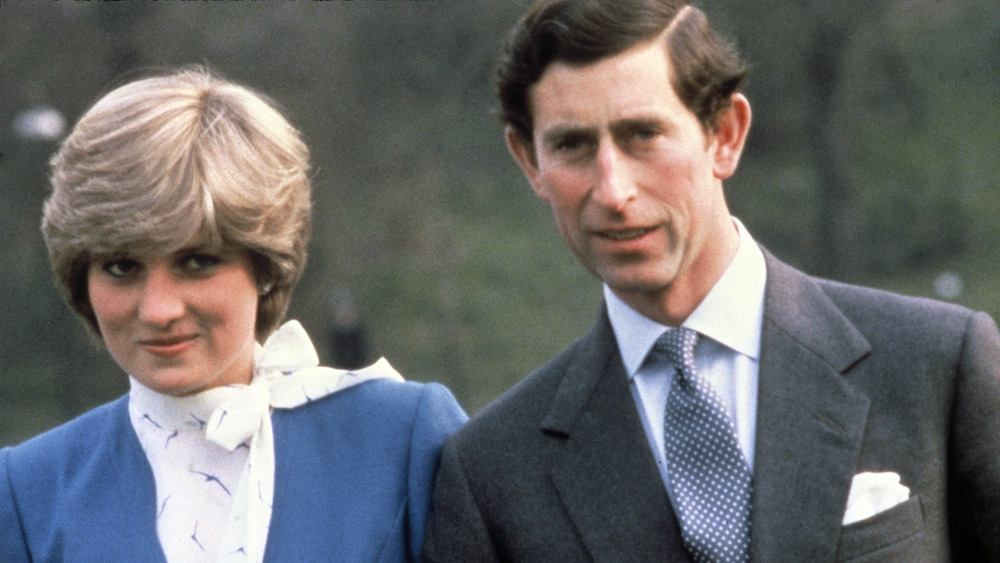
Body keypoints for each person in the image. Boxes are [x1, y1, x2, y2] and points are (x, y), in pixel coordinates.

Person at [422, 1, 1000, 561]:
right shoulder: (492, 475)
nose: (613, 191)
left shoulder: (937, 367)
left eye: (641, 135)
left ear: (724, 133)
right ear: (529, 162)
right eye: (572, 145)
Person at [0, 67, 467, 563]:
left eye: (197, 262)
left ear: (264, 264)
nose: (159, 310)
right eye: (121, 267)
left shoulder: (403, 437)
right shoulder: (26, 493)